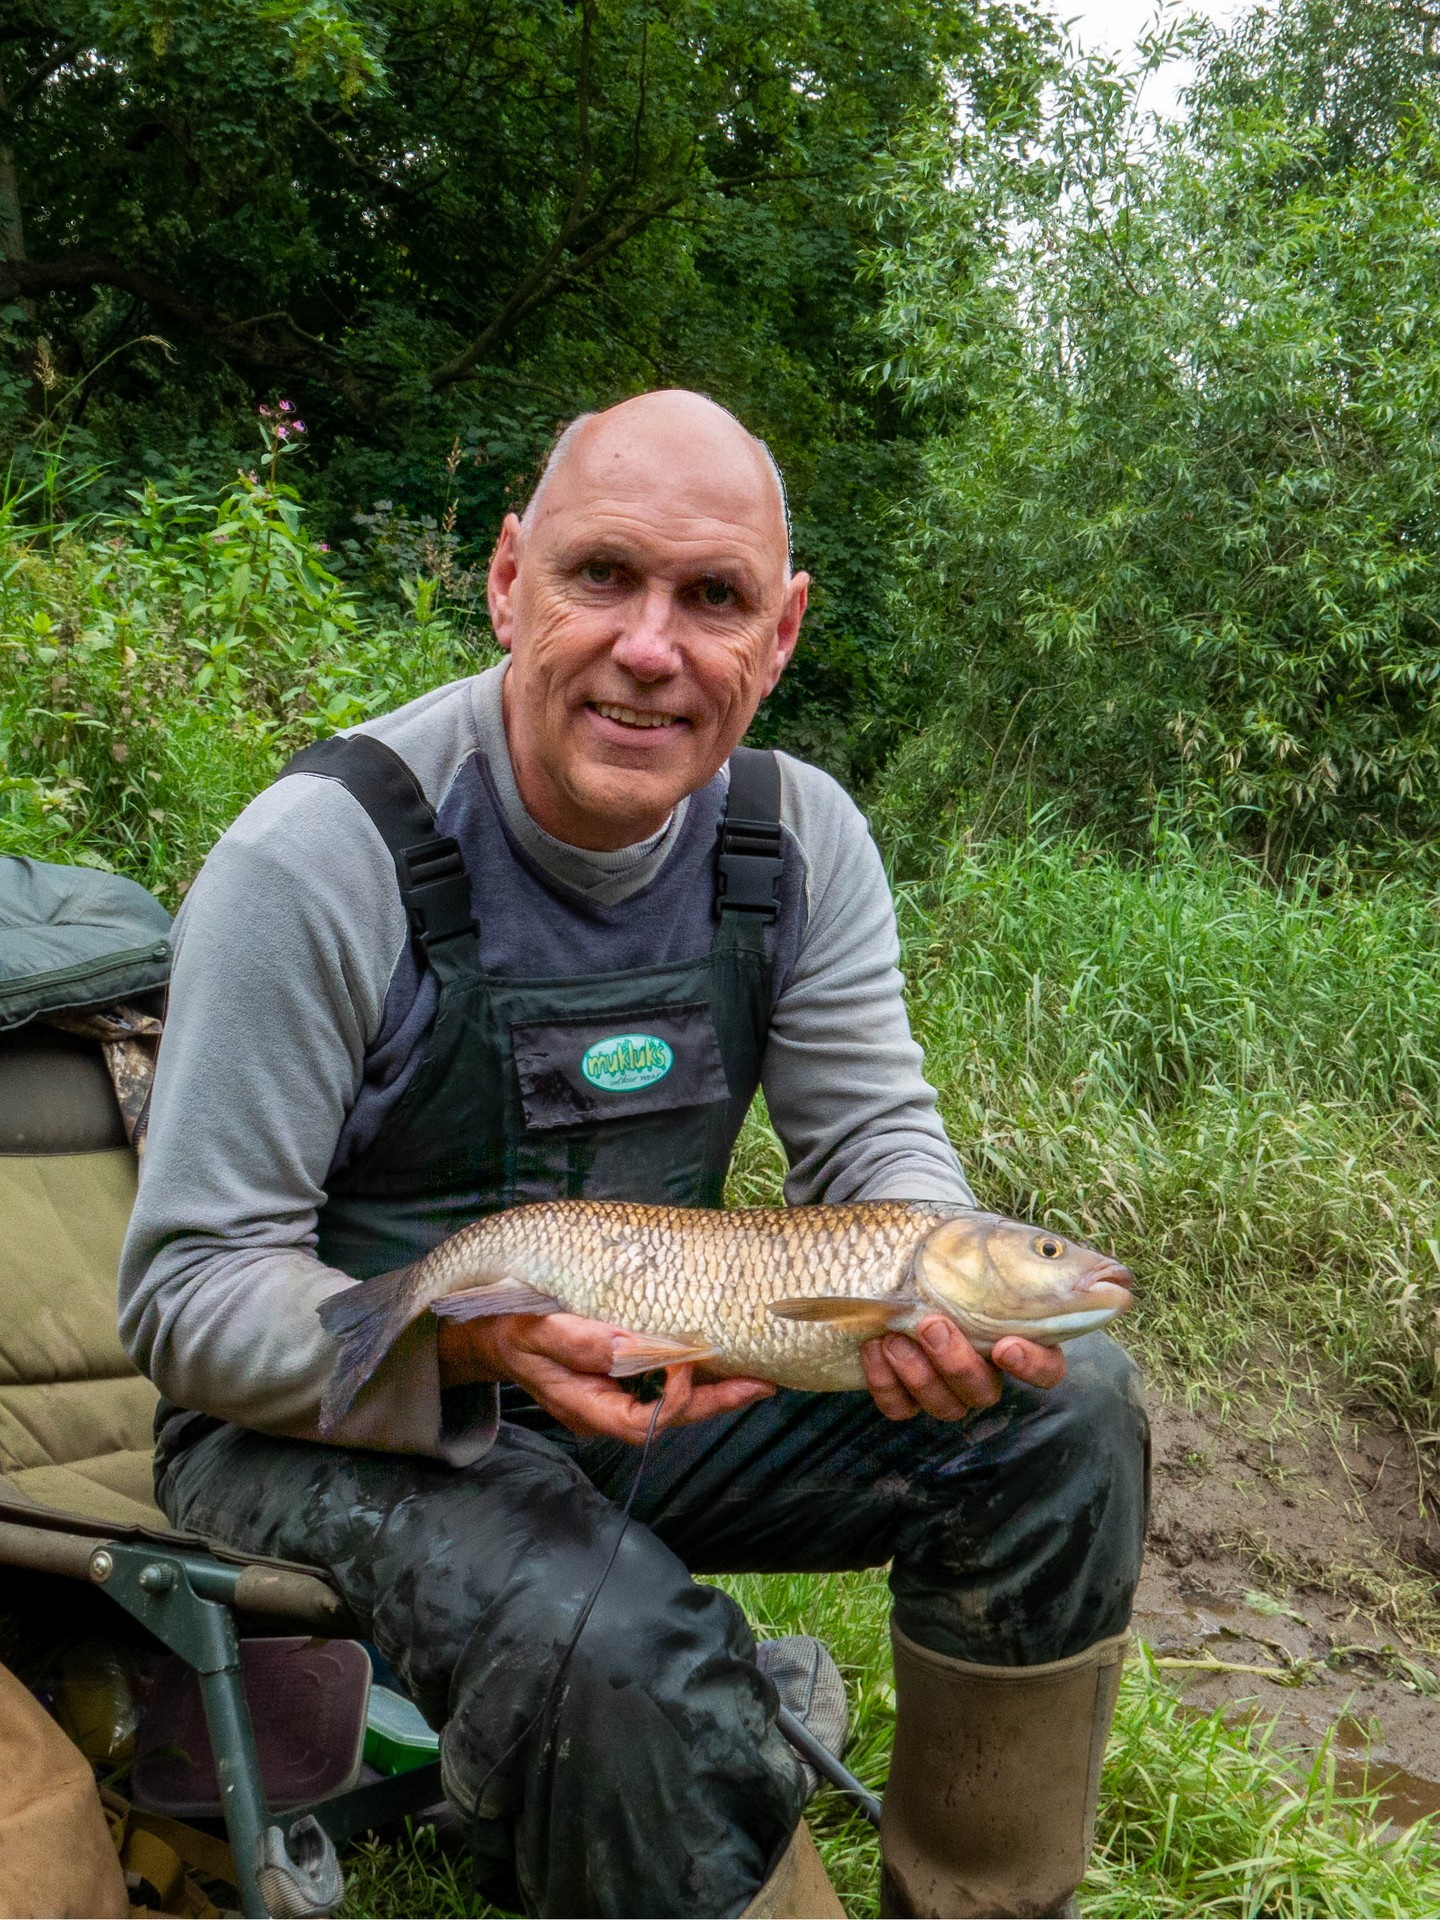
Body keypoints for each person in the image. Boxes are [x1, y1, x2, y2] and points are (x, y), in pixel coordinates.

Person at [119, 389, 1148, 1919]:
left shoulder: (795, 840)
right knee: (627, 1653)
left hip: (653, 1377)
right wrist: (481, 1345)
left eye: (714, 598)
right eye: (604, 576)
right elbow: (187, 1293)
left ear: (780, 634)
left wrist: (934, 1295)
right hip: (324, 1427)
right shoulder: (319, 858)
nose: (652, 648)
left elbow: (878, 1155)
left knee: (1065, 1419)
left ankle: (983, 1899)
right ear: (507, 580)